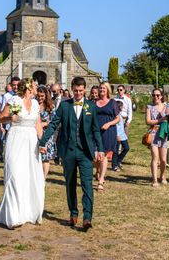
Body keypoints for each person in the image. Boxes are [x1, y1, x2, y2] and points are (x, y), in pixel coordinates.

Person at [40, 77, 104, 231]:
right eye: (75, 90)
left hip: (85, 152)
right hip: (68, 150)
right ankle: (73, 213)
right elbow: (54, 124)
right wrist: (42, 141)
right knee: (70, 184)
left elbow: (95, 129)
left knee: (87, 185)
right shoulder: (64, 106)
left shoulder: (91, 107)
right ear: (72, 89)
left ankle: (87, 217)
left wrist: (100, 148)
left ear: (85, 90)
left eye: (81, 91)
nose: (77, 93)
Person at [0, 78, 45, 229]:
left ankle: (29, 212)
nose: (37, 87)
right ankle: (13, 216)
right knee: (15, 174)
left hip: (31, 142)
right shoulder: (15, 100)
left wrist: (41, 143)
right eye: (35, 85)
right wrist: (11, 117)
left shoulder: (36, 103)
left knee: (31, 176)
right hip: (16, 139)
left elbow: (37, 124)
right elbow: (1, 118)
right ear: (29, 87)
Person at [93, 82, 120, 191]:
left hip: (108, 131)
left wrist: (108, 124)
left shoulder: (112, 103)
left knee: (103, 156)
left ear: (108, 90)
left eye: (104, 88)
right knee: (95, 157)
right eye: (100, 88)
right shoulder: (94, 102)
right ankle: (98, 171)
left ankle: (101, 181)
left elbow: (118, 118)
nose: (101, 90)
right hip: (95, 131)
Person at [146, 88, 169, 187]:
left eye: (157, 95)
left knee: (163, 159)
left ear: (161, 96)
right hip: (153, 133)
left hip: (164, 134)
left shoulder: (167, 106)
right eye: (153, 95)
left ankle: (163, 176)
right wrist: (161, 120)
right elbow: (148, 121)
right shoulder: (149, 107)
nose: (155, 97)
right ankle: (154, 180)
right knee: (155, 157)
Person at [0, 77, 20, 163]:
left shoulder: (22, 95)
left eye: (17, 85)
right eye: (14, 85)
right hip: (8, 124)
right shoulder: (7, 96)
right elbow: (3, 112)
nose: (15, 87)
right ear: (11, 85)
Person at [37, 85, 56, 179]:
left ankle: (43, 178)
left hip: (47, 134)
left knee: (45, 157)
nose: (40, 98)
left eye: (42, 96)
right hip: (34, 133)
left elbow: (54, 121)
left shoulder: (51, 106)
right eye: (38, 96)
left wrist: (44, 124)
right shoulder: (33, 104)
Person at [111, 100, 130, 172]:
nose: (123, 107)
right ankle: (114, 165)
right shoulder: (115, 116)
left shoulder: (120, 115)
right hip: (117, 135)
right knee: (115, 151)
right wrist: (117, 135)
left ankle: (118, 160)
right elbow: (116, 126)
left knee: (126, 148)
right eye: (122, 106)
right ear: (119, 107)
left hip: (123, 135)